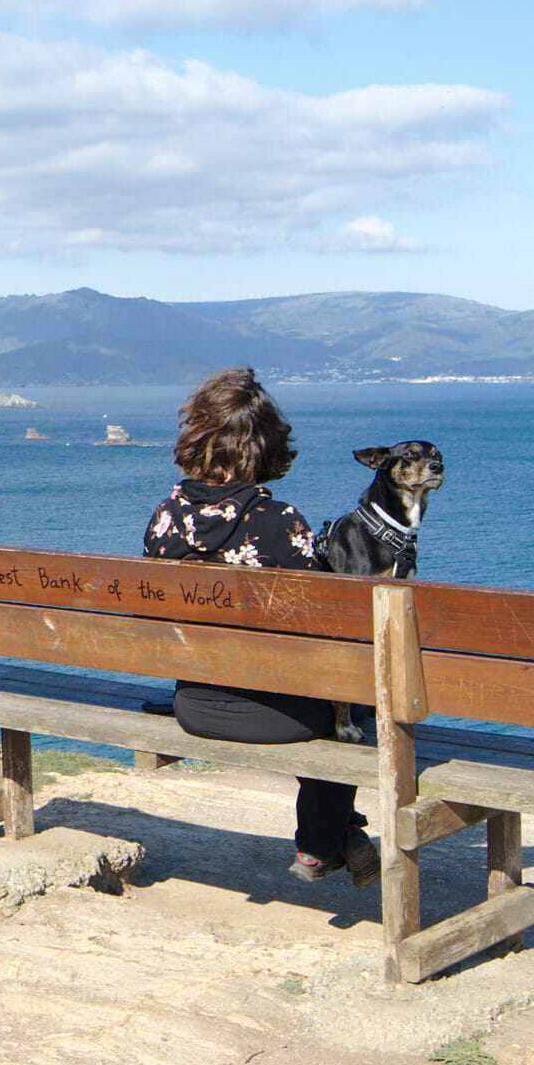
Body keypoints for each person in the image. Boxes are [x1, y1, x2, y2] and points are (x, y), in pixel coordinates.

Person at [138, 367, 380, 887]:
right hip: (275, 719)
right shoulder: (281, 522)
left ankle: (343, 832)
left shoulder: (163, 518)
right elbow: (325, 632)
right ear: (266, 446)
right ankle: (322, 843)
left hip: (193, 706)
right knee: (354, 696)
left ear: (197, 437)